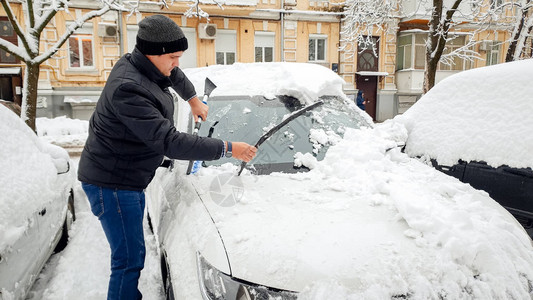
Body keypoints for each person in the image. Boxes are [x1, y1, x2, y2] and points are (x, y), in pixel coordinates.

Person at [77, 14, 257, 300]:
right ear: (152, 54)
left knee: (132, 254)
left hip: (125, 177)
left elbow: (173, 74)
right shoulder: (128, 88)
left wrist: (193, 98)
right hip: (111, 183)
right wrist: (227, 148)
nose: (176, 64)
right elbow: (169, 142)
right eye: (173, 57)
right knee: (128, 261)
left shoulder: (143, 64)